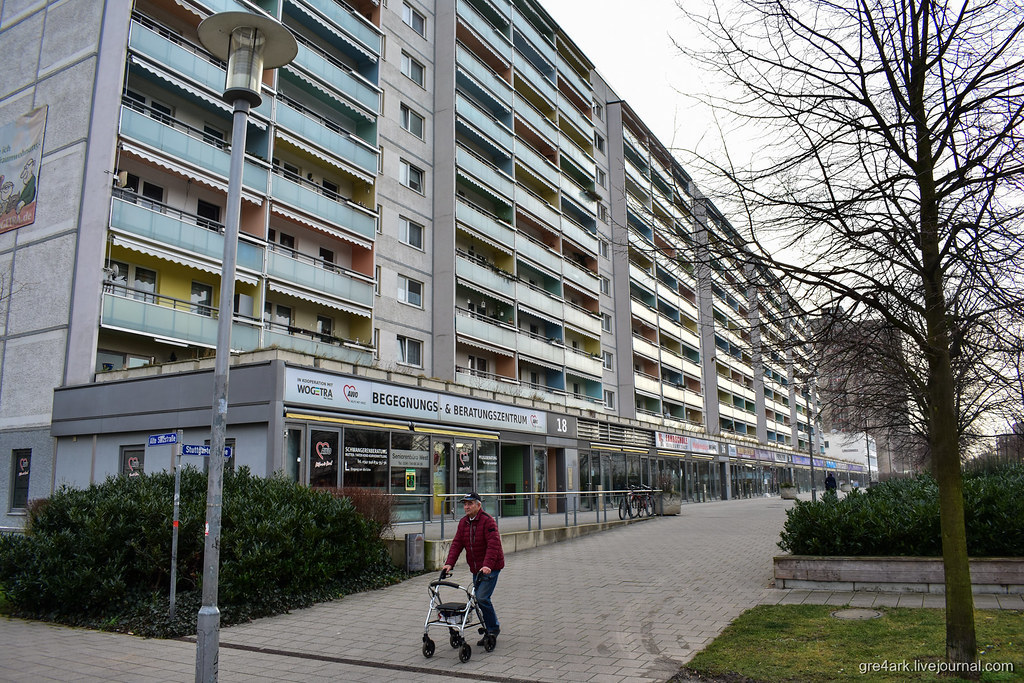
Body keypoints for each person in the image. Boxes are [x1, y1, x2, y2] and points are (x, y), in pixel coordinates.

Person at [442, 492, 504, 646]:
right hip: (476, 568)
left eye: (470, 503)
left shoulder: (488, 521)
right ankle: (489, 627)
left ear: (478, 505)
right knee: (478, 600)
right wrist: (449, 563)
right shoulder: (464, 523)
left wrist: (488, 565)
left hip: (491, 567)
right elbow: (457, 544)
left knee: (482, 598)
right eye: (465, 504)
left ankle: (493, 629)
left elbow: (493, 545)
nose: (466, 507)